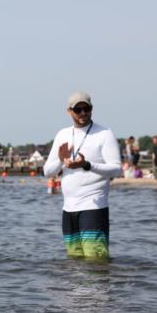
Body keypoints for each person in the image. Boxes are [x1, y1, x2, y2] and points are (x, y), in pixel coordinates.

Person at [43, 92, 122, 260]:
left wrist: (87, 165)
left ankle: (99, 287)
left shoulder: (104, 134)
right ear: (69, 111)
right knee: (74, 261)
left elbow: (116, 170)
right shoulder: (62, 134)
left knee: (96, 260)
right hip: (68, 209)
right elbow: (48, 172)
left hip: (93, 207)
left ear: (91, 109)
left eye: (86, 109)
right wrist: (60, 160)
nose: (82, 113)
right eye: (77, 109)